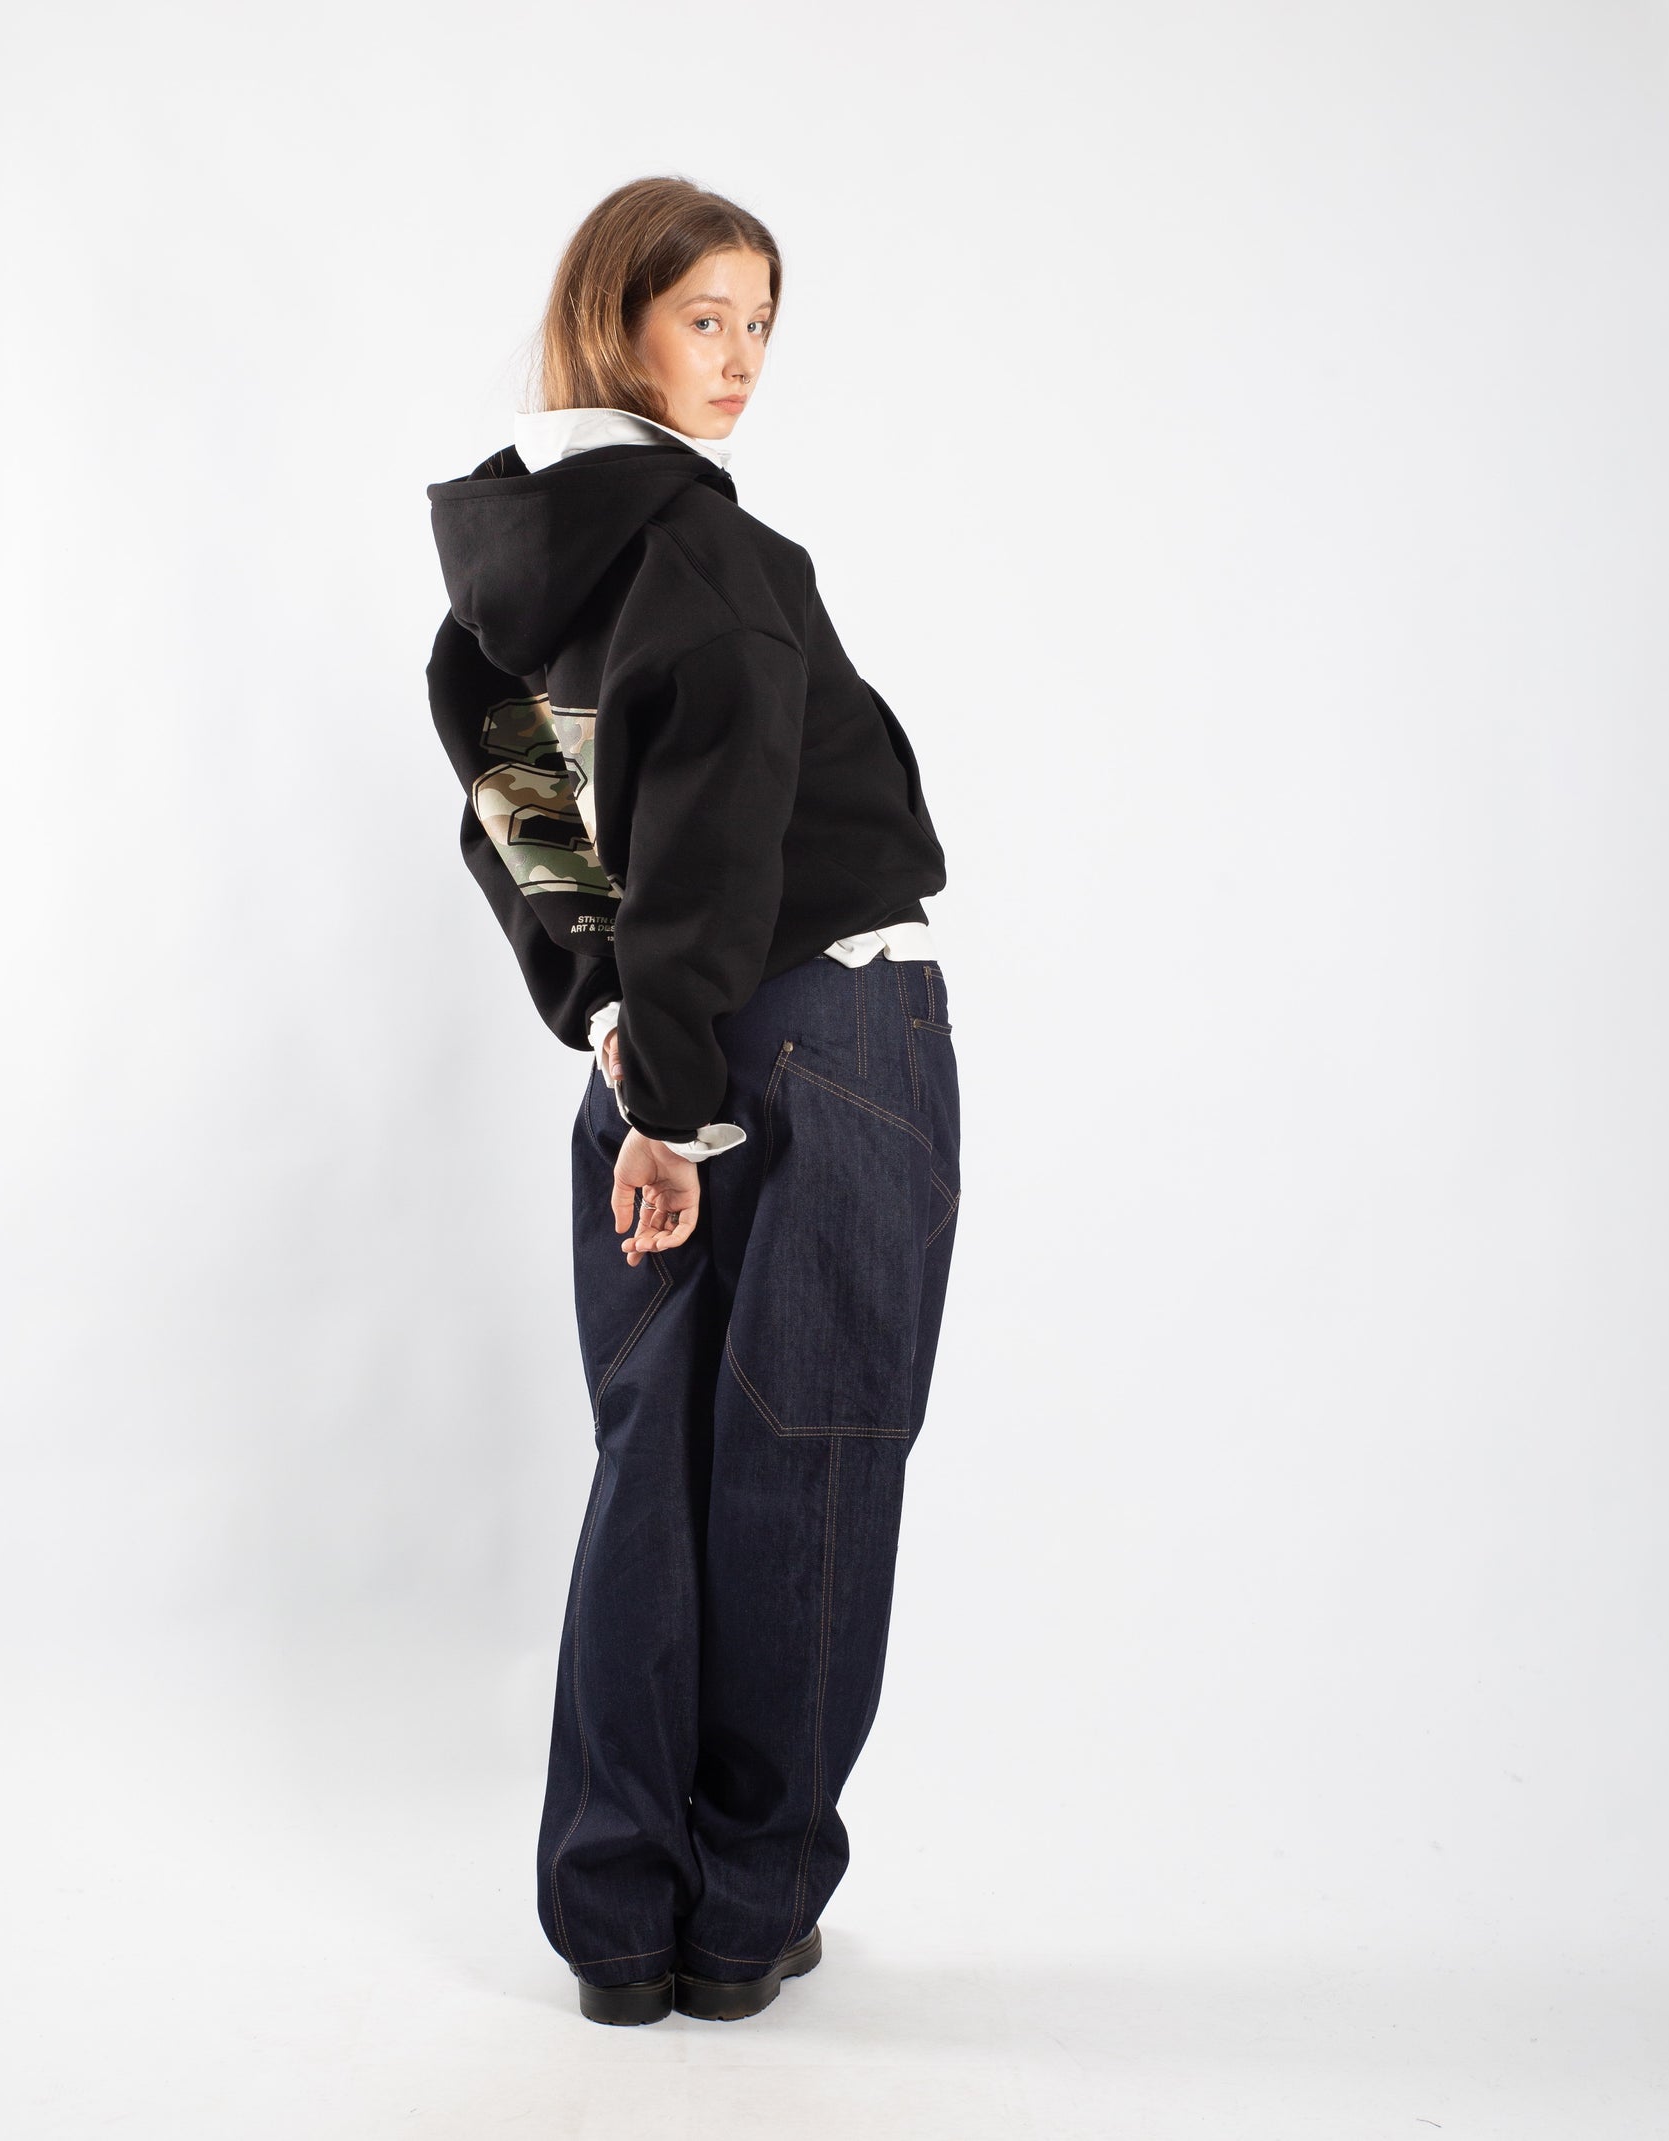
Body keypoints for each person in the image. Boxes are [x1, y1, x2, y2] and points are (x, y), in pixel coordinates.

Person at [425, 176, 962, 2026]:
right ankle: (737, 1923)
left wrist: (616, 1038)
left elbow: (525, 827)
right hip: (823, 1036)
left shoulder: (492, 593)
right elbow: (722, 844)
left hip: (653, 1053)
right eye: (705, 318)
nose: (739, 361)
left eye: (759, 324)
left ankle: (612, 1921)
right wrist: (671, 1098)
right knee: (809, 1457)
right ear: (616, 319)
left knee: (651, 1460)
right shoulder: (715, 559)